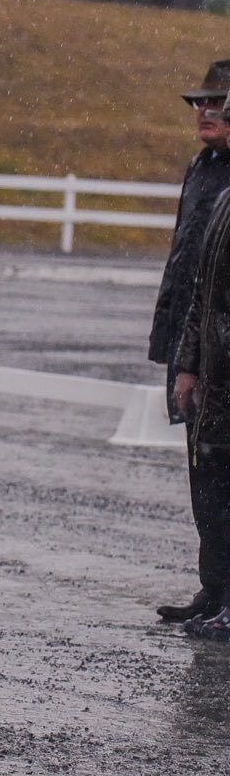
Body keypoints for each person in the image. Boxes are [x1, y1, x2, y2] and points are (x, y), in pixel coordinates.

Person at [151, 60, 230, 624]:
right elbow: (187, 266)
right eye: (199, 102)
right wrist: (177, 349)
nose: (204, 111)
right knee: (203, 472)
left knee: (222, 470)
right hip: (193, 341)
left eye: (216, 102)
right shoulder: (203, 168)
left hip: (219, 348)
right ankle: (215, 587)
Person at [172, 175, 230, 640]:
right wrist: (188, 364)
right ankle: (217, 593)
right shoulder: (224, 196)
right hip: (217, 376)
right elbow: (202, 293)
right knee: (212, 490)